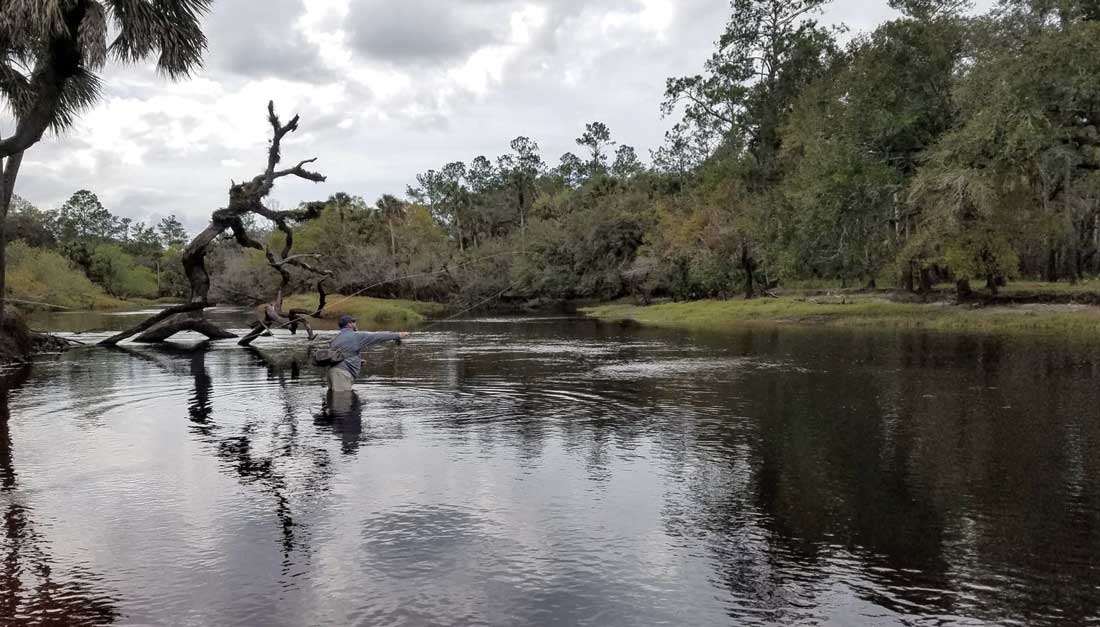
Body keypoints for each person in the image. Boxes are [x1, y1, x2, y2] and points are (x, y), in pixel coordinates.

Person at [326, 314, 409, 392]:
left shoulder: (336, 338)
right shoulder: (356, 336)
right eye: (353, 322)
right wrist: (398, 335)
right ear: (349, 325)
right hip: (341, 375)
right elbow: (376, 336)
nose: (355, 324)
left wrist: (358, 361)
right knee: (341, 402)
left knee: (333, 401)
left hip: (332, 373)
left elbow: (341, 355)